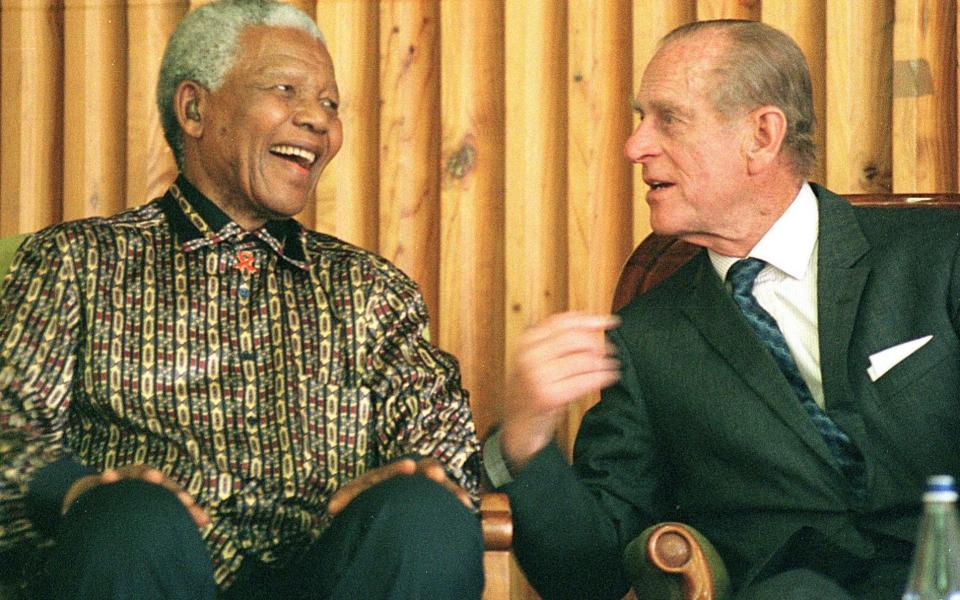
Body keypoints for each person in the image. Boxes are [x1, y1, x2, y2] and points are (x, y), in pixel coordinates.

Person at [0, 1, 483, 598]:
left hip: (331, 576)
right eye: (287, 90)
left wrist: (420, 473)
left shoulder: (371, 290)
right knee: (129, 519)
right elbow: (7, 433)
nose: (317, 121)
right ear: (195, 109)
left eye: (330, 104)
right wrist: (79, 490)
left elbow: (444, 439)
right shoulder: (75, 262)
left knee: (425, 512)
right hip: (146, 568)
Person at [486, 19, 960, 600]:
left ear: (762, 134)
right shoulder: (647, 337)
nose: (636, 146)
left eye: (669, 118)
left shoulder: (942, 253)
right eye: (641, 119)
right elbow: (590, 575)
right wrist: (526, 440)